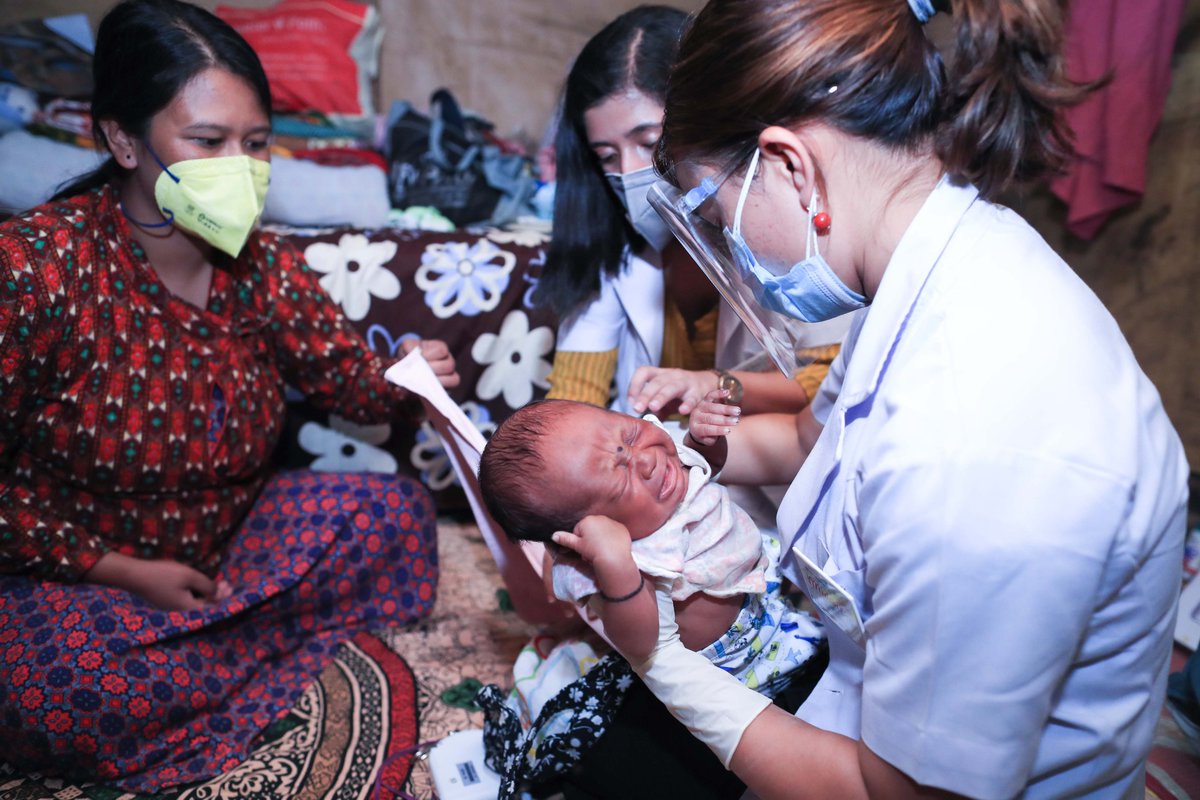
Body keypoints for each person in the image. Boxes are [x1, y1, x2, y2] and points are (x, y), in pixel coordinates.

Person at [581, 0, 1190, 798]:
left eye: (720, 214)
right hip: (858, 695)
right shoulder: (935, 264)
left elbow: (890, 792)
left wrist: (657, 656)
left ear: (790, 166)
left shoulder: (973, 449)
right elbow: (809, 438)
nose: (731, 246)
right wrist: (679, 453)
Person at [0, 0, 458, 790]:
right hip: (76, 574)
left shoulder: (262, 265)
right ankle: (228, 650)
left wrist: (410, 372)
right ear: (121, 138)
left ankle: (202, 651)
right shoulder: (35, 268)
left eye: (255, 144)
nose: (240, 168)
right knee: (56, 691)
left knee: (397, 521)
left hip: (228, 548)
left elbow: (354, 388)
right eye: (208, 142)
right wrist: (120, 571)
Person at [535, 5, 841, 423]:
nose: (629, 174)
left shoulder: (780, 230)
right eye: (606, 156)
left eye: (649, 143)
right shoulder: (610, 254)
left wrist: (715, 385)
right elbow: (572, 401)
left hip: (762, 479)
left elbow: (828, 380)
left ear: (706, 125)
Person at [479, 398, 824, 698]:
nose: (645, 461)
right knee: (817, 676)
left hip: (753, 576)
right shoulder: (629, 558)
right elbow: (642, 646)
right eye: (619, 484)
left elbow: (704, 468)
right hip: (744, 651)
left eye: (629, 434)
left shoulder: (660, 466)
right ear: (591, 532)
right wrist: (615, 566)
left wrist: (704, 440)